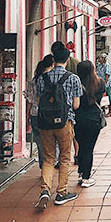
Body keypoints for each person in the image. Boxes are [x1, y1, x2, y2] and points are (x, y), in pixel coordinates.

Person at [34, 45, 81, 210]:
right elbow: (76, 105)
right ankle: (61, 192)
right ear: (67, 60)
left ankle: (45, 190)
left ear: (53, 60)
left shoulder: (42, 78)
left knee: (48, 158)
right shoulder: (73, 78)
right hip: (64, 122)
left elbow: (39, 102)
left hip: (45, 123)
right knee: (65, 158)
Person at [75, 61, 106, 188]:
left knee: (81, 145)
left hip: (78, 119)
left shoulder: (76, 84)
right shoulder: (100, 83)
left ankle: (81, 171)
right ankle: (86, 177)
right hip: (93, 119)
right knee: (89, 148)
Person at [51, 41, 80, 164]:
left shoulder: (45, 76)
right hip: (67, 115)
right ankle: (77, 155)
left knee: (49, 157)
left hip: (48, 116)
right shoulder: (75, 71)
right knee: (66, 154)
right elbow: (76, 104)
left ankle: (47, 180)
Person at [24, 55, 54, 169]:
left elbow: (29, 101)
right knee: (51, 141)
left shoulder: (33, 82)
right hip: (49, 114)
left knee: (39, 141)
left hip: (35, 114)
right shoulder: (52, 80)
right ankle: (50, 163)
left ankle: (44, 164)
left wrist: (27, 117)